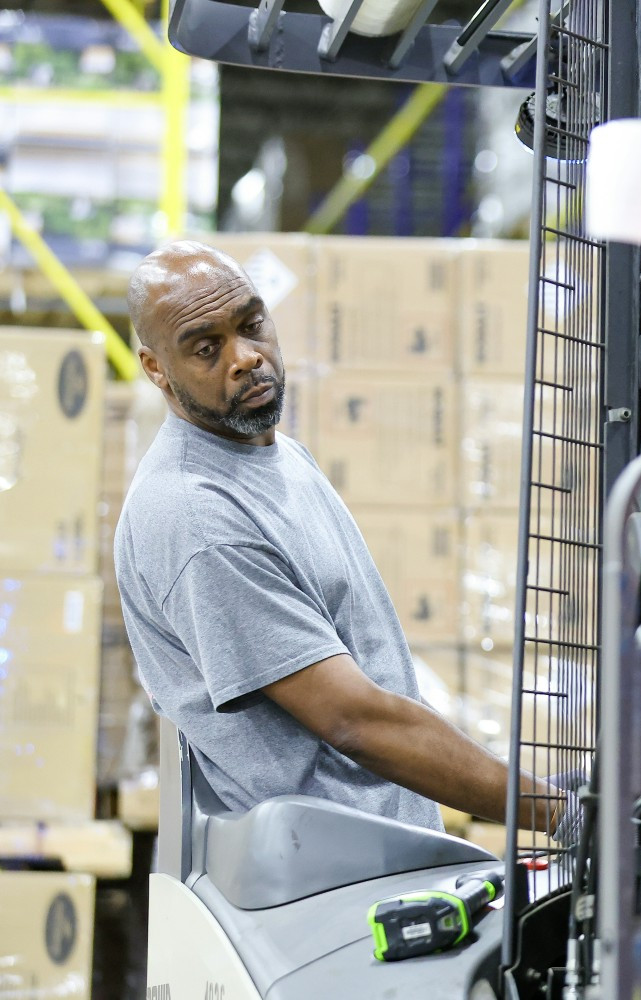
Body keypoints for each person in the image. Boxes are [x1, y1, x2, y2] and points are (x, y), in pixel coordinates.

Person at [114, 240, 572, 843]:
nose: (247, 357)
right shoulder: (197, 516)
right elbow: (354, 721)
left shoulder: (271, 453)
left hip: (377, 851)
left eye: (252, 326)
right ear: (155, 368)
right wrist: (560, 813)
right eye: (207, 348)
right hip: (327, 879)